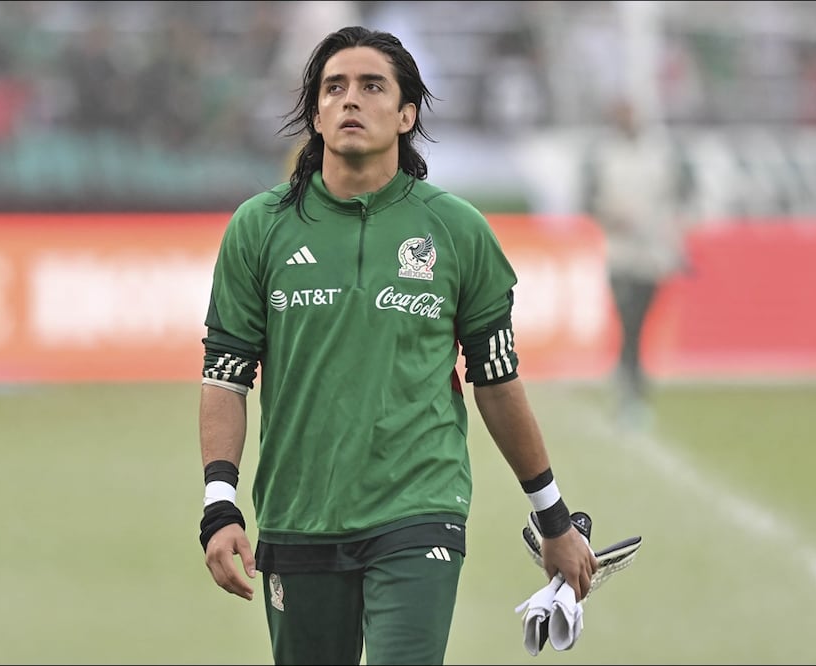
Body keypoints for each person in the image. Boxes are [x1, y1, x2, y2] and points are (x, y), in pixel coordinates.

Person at [197, 26, 598, 665]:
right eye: (334, 88)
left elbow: (496, 382)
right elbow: (225, 377)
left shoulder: (457, 230)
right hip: (297, 515)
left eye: (371, 86)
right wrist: (221, 504)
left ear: (406, 113)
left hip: (419, 512)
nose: (350, 100)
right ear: (316, 114)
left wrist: (553, 517)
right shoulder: (258, 229)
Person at [581, 98, 692, 430]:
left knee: (640, 322)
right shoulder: (603, 153)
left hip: (654, 251)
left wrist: (673, 226)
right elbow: (587, 198)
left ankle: (631, 384)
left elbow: (685, 189)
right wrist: (610, 215)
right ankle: (629, 386)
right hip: (620, 251)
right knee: (627, 319)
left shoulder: (662, 150)